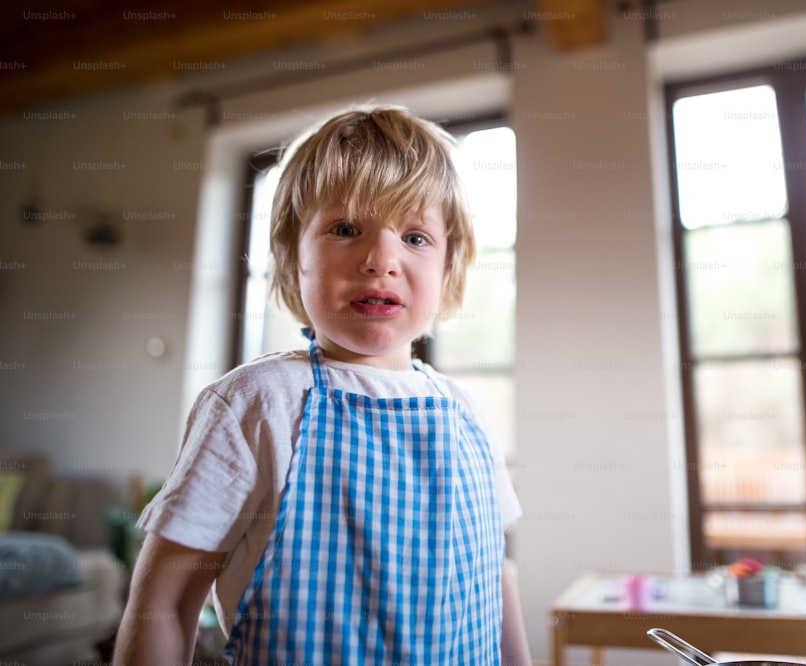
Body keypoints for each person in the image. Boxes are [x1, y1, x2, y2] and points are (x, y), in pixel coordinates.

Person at [114, 105, 532, 666]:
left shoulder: (467, 414)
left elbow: (494, 579)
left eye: (414, 236)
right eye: (345, 229)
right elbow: (163, 604)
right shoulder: (255, 404)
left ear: (450, 266)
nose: (381, 259)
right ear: (292, 261)